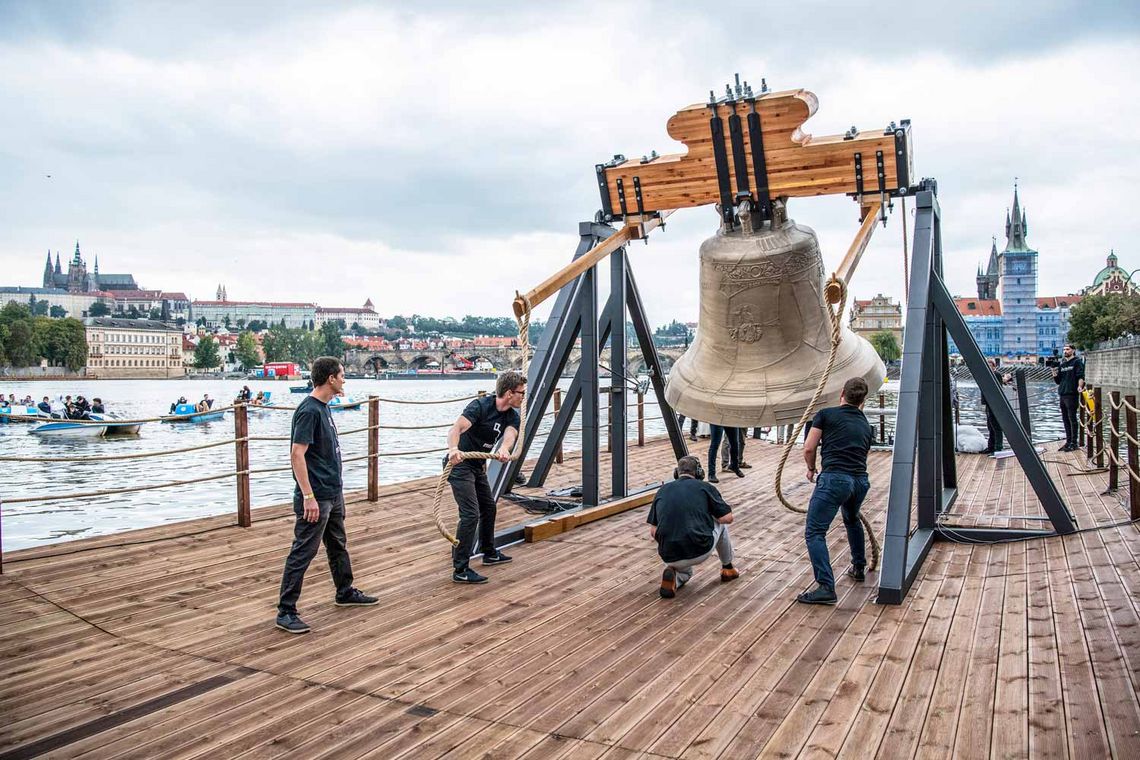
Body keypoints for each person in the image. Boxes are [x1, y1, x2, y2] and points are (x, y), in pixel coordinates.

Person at [275, 356, 377, 634]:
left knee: (337, 544)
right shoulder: (309, 410)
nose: (344, 380)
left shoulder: (324, 408)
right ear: (331, 378)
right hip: (316, 496)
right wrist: (308, 496)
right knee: (303, 551)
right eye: (342, 375)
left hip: (333, 492)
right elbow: (297, 455)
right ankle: (286, 610)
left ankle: (344, 590)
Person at [797, 377, 874, 605]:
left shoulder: (825, 414)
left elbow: (809, 447)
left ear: (842, 392)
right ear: (863, 400)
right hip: (860, 481)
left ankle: (825, 587)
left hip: (835, 479)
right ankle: (858, 567)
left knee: (815, 532)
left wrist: (811, 469)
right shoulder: (866, 426)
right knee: (851, 520)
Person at [446, 370, 525, 584]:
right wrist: (453, 449)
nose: (523, 397)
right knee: (470, 514)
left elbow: (509, 436)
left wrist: (505, 450)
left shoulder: (512, 416)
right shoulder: (480, 407)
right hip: (460, 466)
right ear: (509, 393)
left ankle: (489, 552)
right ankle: (460, 569)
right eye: (521, 393)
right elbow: (456, 429)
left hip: (477, 466)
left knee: (488, 507)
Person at [647, 455, 739, 599]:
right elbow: (727, 518)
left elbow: (653, 531)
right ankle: (728, 568)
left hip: (668, 554)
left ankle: (674, 579)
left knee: (686, 572)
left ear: (676, 473)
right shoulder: (705, 487)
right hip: (700, 549)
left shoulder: (663, 490)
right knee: (720, 524)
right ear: (699, 473)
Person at [1053, 344, 1085, 452]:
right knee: (1065, 419)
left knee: (1072, 418)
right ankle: (1068, 441)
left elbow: (1081, 376)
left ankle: (1074, 443)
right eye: (1064, 350)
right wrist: (1054, 372)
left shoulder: (1077, 362)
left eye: (1067, 349)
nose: (1065, 351)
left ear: (1073, 350)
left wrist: (1080, 387)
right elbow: (1058, 381)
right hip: (1062, 394)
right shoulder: (1062, 365)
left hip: (1072, 394)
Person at [982, 359, 1012, 455]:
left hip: (994, 403)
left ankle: (998, 448)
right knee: (990, 426)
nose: (988, 367)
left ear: (994, 366)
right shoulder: (986, 375)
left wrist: (1005, 379)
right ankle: (991, 447)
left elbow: (998, 388)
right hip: (988, 403)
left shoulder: (996, 374)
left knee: (996, 426)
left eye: (990, 365)